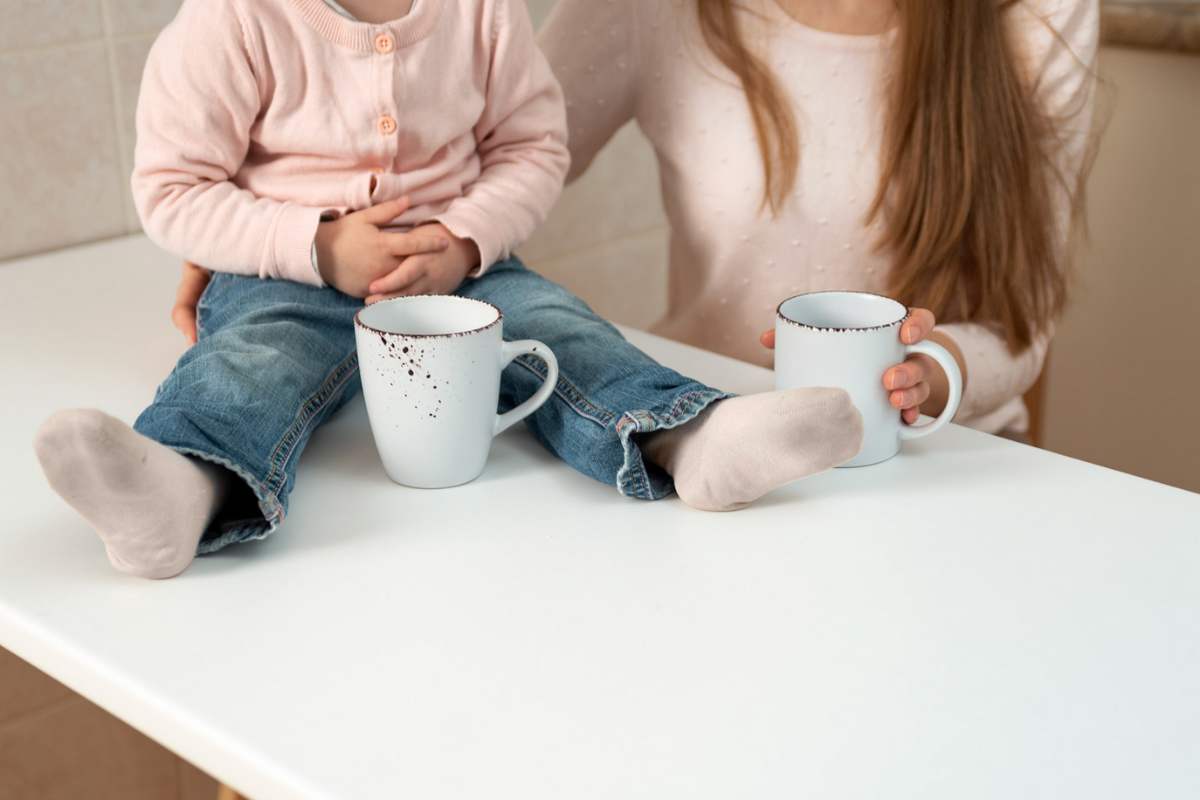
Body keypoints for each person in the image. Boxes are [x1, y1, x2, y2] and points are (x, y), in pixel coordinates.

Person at [33, 0, 866, 580]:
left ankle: (689, 436)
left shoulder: (479, 10)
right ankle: (182, 487)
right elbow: (174, 188)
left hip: (463, 269)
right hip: (286, 273)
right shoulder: (234, 17)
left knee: (559, 328)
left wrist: (466, 237)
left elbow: (534, 148)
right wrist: (314, 245)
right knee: (256, 358)